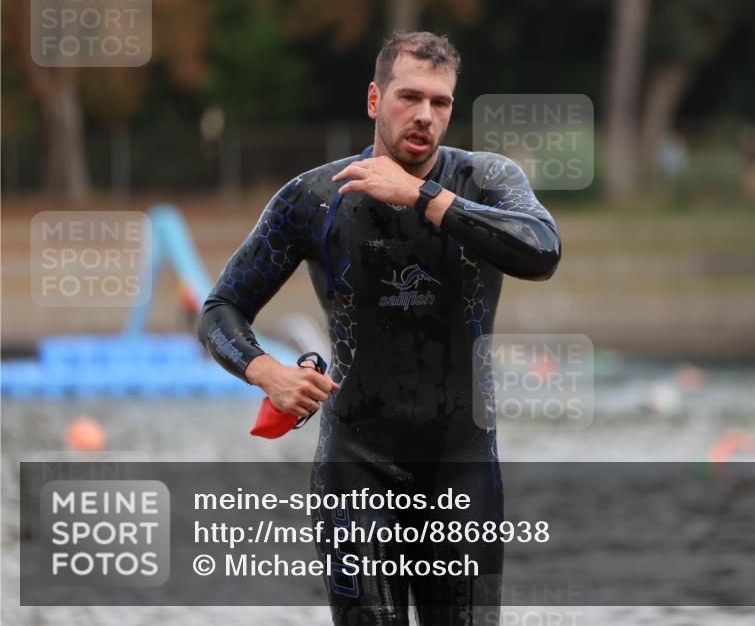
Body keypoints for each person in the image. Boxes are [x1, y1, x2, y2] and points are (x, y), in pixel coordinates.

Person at [197, 31, 561, 625]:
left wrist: (424, 196)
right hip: (356, 466)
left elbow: (543, 251)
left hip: (461, 468)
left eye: (440, 102)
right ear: (374, 99)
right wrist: (268, 373)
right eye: (408, 97)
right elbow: (221, 308)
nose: (424, 115)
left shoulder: (485, 179)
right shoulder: (314, 198)